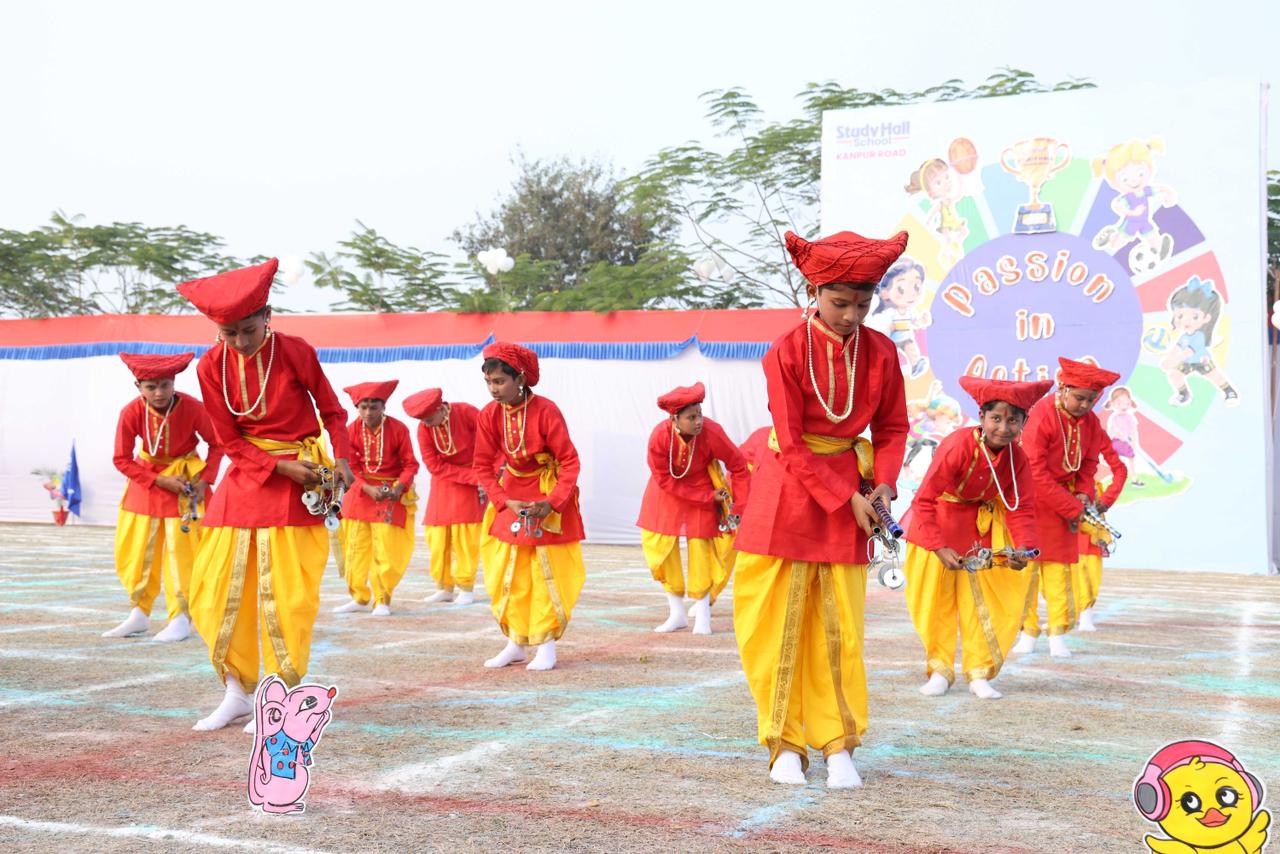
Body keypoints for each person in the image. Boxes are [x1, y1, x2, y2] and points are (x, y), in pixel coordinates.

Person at [732, 229, 909, 789]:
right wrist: (845, 496)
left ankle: (838, 746)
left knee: (839, 628)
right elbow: (788, 438)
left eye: (864, 303)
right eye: (840, 303)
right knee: (773, 626)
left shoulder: (881, 351)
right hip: (786, 492)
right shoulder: (785, 350)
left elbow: (893, 427)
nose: (853, 314)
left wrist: (881, 485)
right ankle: (783, 743)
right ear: (814, 289)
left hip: (851, 498)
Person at [177, 258, 354, 731]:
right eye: (228, 332)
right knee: (214, 590)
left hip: (301, 477)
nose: (238, 341)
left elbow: (334, 412)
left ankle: (280, 693)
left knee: (288, 594)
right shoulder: (211, 364)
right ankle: (236, 690)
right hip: (249, 477)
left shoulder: (296, 351)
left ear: (268, 315)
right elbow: (228, 440)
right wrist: (279, 468)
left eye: (248, 330)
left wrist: (341, 462)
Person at [903, 376, 1050, 700]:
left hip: (979, 531)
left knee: (981, 603)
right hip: (936, 528)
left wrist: (1024, 550)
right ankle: (939, 669)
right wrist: (938, 546)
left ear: (1024, 422)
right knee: (935, 605)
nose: (1003, 428)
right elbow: (923, 501)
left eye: (1013, 420)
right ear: (982, 418)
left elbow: (1022, 509)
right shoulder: (957, 445)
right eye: (996, 418)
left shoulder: (1018, 459)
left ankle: (979, 672)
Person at [472, 343, 585, 672]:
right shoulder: (489, 414)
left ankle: (545, 645)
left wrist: (551, 503)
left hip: (547, 495)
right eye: (489, 383)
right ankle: (516, 643)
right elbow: (482, 465)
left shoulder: (547, 410)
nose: (494, 389)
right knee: (509, 571)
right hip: (512, 495)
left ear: (519, 378)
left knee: (543, 571)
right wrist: (504, 500)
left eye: (500, 382)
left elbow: (570, 462)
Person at [106, 352, 224, 642]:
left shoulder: (194, 408)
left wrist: (205, 480)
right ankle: (139, 613)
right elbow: (121, 459)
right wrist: (158, 480)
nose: (159, 392)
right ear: (138, 386)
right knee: (135, 552)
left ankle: (181, 617)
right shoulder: (131, 412)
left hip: (185, 483)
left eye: (165, 385)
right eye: (151, 387)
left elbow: (218, 444)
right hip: (145, 486)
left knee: (182, 554)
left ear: (173, 383)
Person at [1012, 357, 1123, 659]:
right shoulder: (1043, 415)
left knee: (1059, 573)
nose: (1084, 405)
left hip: (1065, 507)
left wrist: (1085, 494)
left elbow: (1088, 465)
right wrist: (1073, 507)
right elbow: (1035, 472)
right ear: (1062, 389)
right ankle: (1028, 632)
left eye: (1091, 400)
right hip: (1033, 503)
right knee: (1027, 573)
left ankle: (1057, 633)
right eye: (1079, 398)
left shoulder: (1091, 422)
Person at [637, 382, 750, 635]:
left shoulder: (711, 432)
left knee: (702, 550)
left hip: (704, 489)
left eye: (700, 414)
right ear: (675, 419)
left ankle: (703, 614)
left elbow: (739, 465)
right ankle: (676, 613)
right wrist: (706, 497)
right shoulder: (659, 436)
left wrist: (739, 506)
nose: (699, 421)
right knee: (660, 549)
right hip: (666, 492)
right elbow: (664, 479)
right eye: (691, 417)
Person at [332, 380, 419, 617]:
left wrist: (399, 487)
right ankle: (359, 598)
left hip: (391, 494)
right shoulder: (350, 430)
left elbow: (410, 464)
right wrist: (366, 488)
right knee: (355, 549)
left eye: (374, 406)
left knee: (386, 550)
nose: (369, 412)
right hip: (360, 495)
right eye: (364, 407)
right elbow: (349, 466)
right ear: (357, 408)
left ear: (384, 406)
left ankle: (382, 599)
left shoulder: (399, 429)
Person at [404, 388, 486, 605]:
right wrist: (470, 477)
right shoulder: (424, 428)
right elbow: (433, 465)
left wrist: (485, 476)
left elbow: (491, 445)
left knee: (465, 536)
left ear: (441, 408)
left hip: (476, 475)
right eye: (423, 420)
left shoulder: (467, 412)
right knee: (437, 536)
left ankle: (466, 587)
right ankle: (444, 587)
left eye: (430, 419)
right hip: (447, 480)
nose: (427, 424)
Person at [1074, 437, 1126, 632]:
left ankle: (1086, 615)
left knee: (1090, 579)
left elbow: (1099, 513)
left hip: (1091, 542)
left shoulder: (1095, 487)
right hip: (1069, 540)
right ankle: (1066, 616)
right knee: (1068, 581)